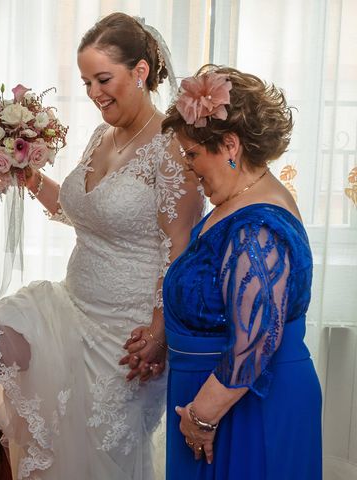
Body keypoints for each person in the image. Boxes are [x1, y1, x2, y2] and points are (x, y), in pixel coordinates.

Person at [0, 12, 203, 479]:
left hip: (128, 334)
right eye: (86, 82)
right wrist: (31, 178)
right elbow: (85, 213)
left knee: (95, 460)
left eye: (104, 79)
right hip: (69, 306)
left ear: (140, 71)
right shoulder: (104, 133)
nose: (95, 93)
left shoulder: (172, 146)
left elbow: (179, 249)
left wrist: (159, 334)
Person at [158, 65, 322, 479]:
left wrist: (201, 416)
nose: (190, 167)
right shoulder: (237, 203)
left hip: (245, 407)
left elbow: (258, 339)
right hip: (221, 401)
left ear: (230, 145)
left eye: (193, 154)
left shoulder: (256, 227)